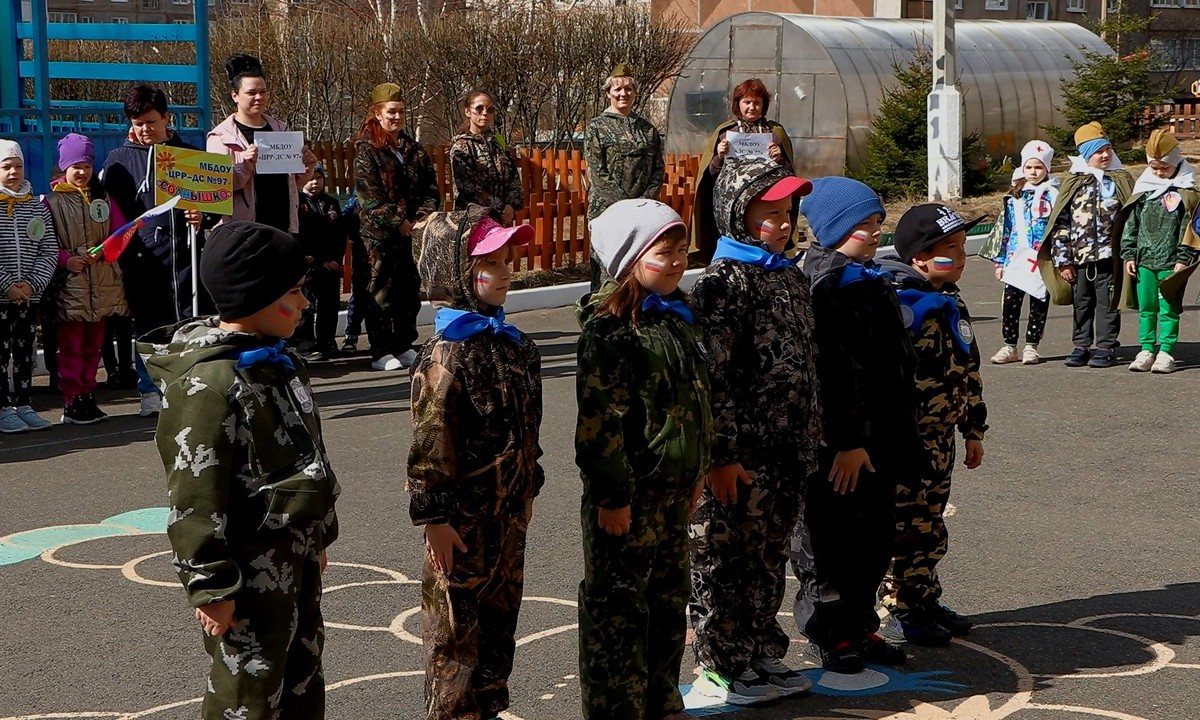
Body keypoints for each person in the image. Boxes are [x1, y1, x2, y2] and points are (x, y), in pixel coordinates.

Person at [142, 220, 340, 720]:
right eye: (294, 293)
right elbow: (194, 495)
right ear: (258, 297)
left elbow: (308, 459)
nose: (306, 303)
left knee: (301, 680)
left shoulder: (282, 362)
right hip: (246, 574)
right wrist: (210, 584)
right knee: (246, 695)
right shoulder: (209, 383)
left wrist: (319, 536)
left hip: (293, 554)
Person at [688, 157, 820, 705]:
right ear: (738, 216)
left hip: (787, 451)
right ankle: (721, 662)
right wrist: (719, 456)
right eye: (771, 214)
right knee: (726, 561)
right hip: (740, 457)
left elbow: (804, 364)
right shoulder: (723, 284)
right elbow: (713, 379)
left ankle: (761, 650)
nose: (784, 223)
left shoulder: (787, 275)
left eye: (789, 212)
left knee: (768, 557)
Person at [576, 200, 712, 720]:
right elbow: (599, 425)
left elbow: (700, 399)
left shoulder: (680, 317)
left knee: (667, 601)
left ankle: (661, 699)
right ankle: (617, 710)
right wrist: (613, 496)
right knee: (618, 612)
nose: (677, 261)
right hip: (628, 499)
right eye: (663, 251)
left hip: (673, 494)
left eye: (681, 250)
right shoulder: (611, 331)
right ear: (631, 258)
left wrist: (699, 467)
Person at [407, 205, 544, 720]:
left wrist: (528, 489)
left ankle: (489, 706)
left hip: (507, 517)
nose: (507, 271)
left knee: (500, 622)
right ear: (456, 274)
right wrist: (434, 519)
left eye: (510, 259)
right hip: (461, 523)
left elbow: (529, 431)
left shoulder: (515, 346)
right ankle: (453, 714)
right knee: (453, 635)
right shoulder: (448, 356)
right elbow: (428, 448)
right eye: (492, 261)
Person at [791, 177, 916, 673]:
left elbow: (892, 368)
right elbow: (833, 374)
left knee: (873, 540)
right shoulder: (825, 288)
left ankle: (861, 625)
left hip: (880, 441)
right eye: (863, 225)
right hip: (842, 447)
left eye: (877, 224)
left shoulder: (870, 278)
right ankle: (831, 631)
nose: (874, 233)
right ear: (833, 228)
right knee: (828, 541)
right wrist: (846, 441)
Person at [878, 204, 988, 647]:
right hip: (907, 440)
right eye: (948, 250)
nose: (959, 258)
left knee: (931, 523)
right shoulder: (900, 305)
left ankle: (924, 596)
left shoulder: (950, 299)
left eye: (962, 248)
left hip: (942, 436)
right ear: (918, 257)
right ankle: (899, 607)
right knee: (902, 527)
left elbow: (969, 366)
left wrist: (974, 428)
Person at [101, 83, 205, 418]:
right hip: (142, 258)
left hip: (184, 253)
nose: (144, 130)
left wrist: (202, 215)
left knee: (187, 321)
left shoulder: (188, 154)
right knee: (147, 325)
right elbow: (111, 213)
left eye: (150, 122)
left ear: (165, 117)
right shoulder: (118, 161)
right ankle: (149, 389)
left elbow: (211, 202)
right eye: (137, 123)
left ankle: (188, 384)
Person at [354, 82, 440, 371]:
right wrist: (398, 222)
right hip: (378, 235)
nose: (396, 117)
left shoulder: (413, 149)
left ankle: (404, 344)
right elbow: (369, 196)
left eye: (401, 111)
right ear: (377, 114)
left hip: (412, 232)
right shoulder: (366, 149)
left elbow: (431, 188)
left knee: (408, 290)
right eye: (391, 112)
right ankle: (381, 350)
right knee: (380, 291)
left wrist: (421, 219)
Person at [44, 133, 128, 424]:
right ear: (64, 166)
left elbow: (120, 234)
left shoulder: (104, 198)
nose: (82, 172)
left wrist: (104, 253)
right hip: (71, 285)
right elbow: (44, 244)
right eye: (76, 166)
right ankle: (72, 398)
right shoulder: (52, 202)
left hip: (102, 282)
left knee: (94, 345)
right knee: (72, 346)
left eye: (87, 166)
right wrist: (67, 260)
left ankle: (88, 394)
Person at [1040, 121, 1134, 369]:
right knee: (1082, 303)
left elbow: (1131, 216)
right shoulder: (1074, 182)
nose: (1104, 155)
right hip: (1079, 258)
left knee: (1108, 303)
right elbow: (1061, 223)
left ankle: (1106, 346)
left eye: (1107, 149)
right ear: (1085, 155)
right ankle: (1081, 344)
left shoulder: (1120, 179)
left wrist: (1129, 252)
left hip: (1109, 256)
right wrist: (1063, 260)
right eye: (1097, 151)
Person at [1118, 129, 1199, 374]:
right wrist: (1129, 253)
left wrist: (1184, 259)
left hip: (1171, 262)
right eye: (1154, 167)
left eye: (1163, 167)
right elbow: (1132, 222)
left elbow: (1192, 230)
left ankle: (1166, 351)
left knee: (1169, 307)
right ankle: (1146, 348)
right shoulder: (1145, 190)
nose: (1158, 172)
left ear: (1175, 163)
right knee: (1147, 306)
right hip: (1144, 260)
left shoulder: (1187, 192)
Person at [207, 54, 316, 234]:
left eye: (263, 92)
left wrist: (306, 168)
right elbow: (217, 187)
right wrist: (244, 166)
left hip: (282, 226)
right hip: (242, 231)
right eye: (251, 93)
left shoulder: (281, 130)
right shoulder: (221, 137)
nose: (259, 97)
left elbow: (294, 183)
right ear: (235, 95)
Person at [693, 78, 794, 261]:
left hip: (765, 205)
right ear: (737, 104)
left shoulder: (776, 133)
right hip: (731, 206)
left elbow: (790, 176)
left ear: (763, 105)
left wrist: (780, 159)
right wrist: (719, 156)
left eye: (757, 102)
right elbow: (708, 177)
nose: (752, 107)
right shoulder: (725, 132)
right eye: (747, 102)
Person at [584, 65, 666, 290]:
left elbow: (658, 169)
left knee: (637, 265)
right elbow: (597, 172)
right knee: (606, 266)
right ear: (608, 93)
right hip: (608, 209)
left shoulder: (647, 129)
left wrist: (644, 202)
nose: (623, 94)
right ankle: (601, 315)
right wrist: (623, 205)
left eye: (628, 89)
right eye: (617, 89)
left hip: (642, 210)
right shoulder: (597, 127)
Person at [0, 139, 57, 433]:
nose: (13, 172)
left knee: (23, 352)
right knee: (1, 353)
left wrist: (32, 285)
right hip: (2, 297)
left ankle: (23, 403)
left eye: (18, 166)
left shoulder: (37, 207)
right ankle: (2, 408)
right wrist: (7, 285)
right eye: (6, 166)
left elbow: (49, 250)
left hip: (27, 297)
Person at [986, 140, 1059, 366]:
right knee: (1010, 303)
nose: (1033, 172)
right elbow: (1005, 228)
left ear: (1047, 169)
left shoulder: (1053, 194)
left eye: (1038, 167)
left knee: (1038, 301)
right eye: (1029, 167)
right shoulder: (1016, 196)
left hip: (1042, 258)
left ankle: (1031, 345)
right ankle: (1010, 345)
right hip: (1016, 257)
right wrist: (1000, 261)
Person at [449, 90, 523, 223]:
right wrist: (499, 208)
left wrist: (511, 205)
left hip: (502, 220)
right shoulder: (461, 147)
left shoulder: (499, 142)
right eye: (479, 108)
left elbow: (513, 177)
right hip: (473, 221)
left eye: (490, 109)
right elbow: (468, 188)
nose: (484, 113)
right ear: (468, 112)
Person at [296, 165, 345, 361]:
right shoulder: (298, 202)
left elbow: (340, 235)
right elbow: (300, 234)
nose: (315, 182)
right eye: (310, 178)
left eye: (319, 178)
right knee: (307, 306)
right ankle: (306, 345)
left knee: (329, 304)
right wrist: (316, 260)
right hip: (310, 262)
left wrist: (336, 259)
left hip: (331, 263)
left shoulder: (331, 203)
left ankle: (328, 341)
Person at [340, 195, 368, 355]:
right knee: (358, 295)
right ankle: (351, 335)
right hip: (362, 254)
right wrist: (355, 238)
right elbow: (346, 219)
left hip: (387, 254)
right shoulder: (356, 200)